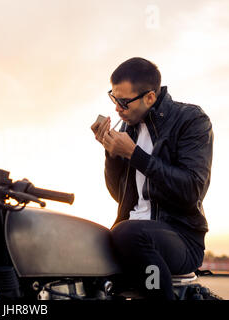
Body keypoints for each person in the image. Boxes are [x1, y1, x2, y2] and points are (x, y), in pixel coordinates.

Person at [90, 57, 213, 300]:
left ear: (149, 97)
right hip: (133, 231)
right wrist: (111, 152)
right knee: (87, 240)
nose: (117, 108)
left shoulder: (191, 120)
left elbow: (191, 191)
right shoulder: (128, 130)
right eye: (114, 99)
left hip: (181, 237)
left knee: (128, 233)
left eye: (124, 102)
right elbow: (120, 195)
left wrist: (135, 155)